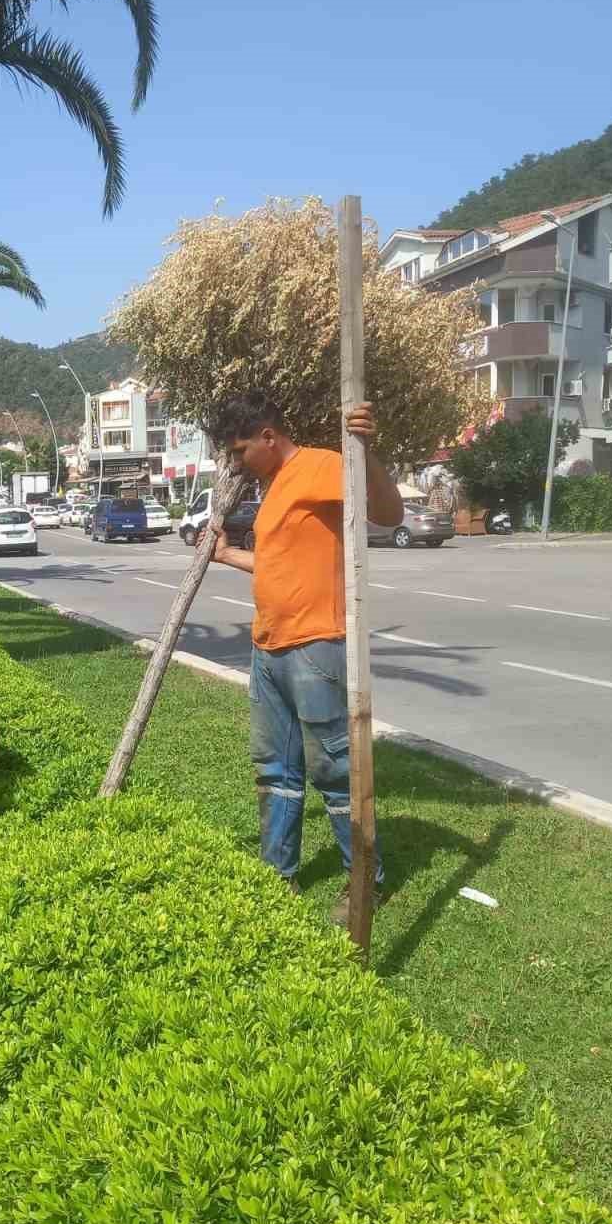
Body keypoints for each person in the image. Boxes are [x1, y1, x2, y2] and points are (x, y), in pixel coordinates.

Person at [209, 391, 404, 926]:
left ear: (269, 438)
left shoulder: (319, 466)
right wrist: (227, 555)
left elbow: (388, 513)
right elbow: (278, 565)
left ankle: (368, 881)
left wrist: (366, 451)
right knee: (274, 770)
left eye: (241, 450)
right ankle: (278, 877)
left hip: (316, 646)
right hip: (269, 649)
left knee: (334, 771)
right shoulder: (273, 488)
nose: (236, 462)